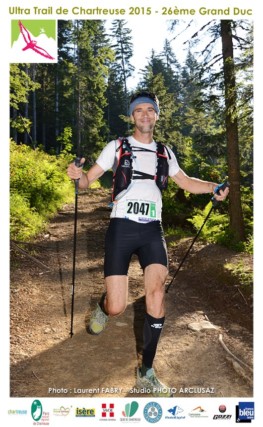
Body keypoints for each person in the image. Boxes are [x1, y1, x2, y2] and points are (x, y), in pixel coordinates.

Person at [67, 91, 229, 396]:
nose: (144, 115)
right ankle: (104, 307)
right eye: (138, 110)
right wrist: (77, 176)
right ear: (132, 116)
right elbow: (87, 181)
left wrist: (214, 187)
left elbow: (185, 182)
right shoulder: (116, 147)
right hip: (121, 228)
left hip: (152, 230)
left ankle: (146, 371)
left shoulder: (165, 153)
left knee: (156, 294)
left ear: (156, 115)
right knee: (117, 307)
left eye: (149, 111)